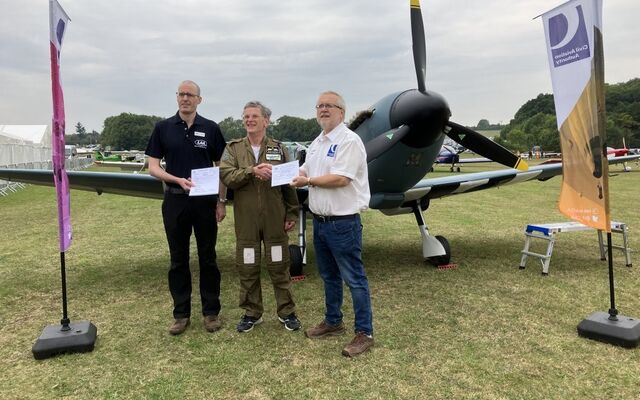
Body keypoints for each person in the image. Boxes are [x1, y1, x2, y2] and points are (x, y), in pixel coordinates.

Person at [291, 91, 374, 357]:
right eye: (320, 106)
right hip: (322, 223)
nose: (324, 109)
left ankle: (364, 332)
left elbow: (341, 178)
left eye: (330, 105)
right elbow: (305, 170)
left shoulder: (349, 141)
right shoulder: (318, 141)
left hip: (343, 223)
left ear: (341, 111)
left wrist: (308, 182)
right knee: (329, 276)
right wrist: (284, 172)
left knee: (355, 279)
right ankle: (333, 321)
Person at [145, 80, 227, 335]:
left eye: (190, 95)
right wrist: (175, 178)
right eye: (181, 94)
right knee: (178, 259)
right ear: (177, 98)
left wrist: (221, 201)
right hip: (175, 199)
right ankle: (181, 314)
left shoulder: (211, 128)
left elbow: (222, 168)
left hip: (204, 202)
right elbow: (153, 167)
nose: (185, 98)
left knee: (208, 258)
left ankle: (211, 312)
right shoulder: (163, 128)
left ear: (199, 100)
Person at [219, 101, 301, 333]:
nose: (249, 120)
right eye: (246, 116)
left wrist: (292, 211)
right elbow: (226, 176)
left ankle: (287, 312)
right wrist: (251, 171)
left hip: (274, 217)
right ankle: (252, 313)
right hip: (247, 220)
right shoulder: (233, 149)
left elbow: (289, 183)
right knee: (247, 264)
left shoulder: (279, 148)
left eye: (254, 116)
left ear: (266, 121)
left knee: (279, 264)